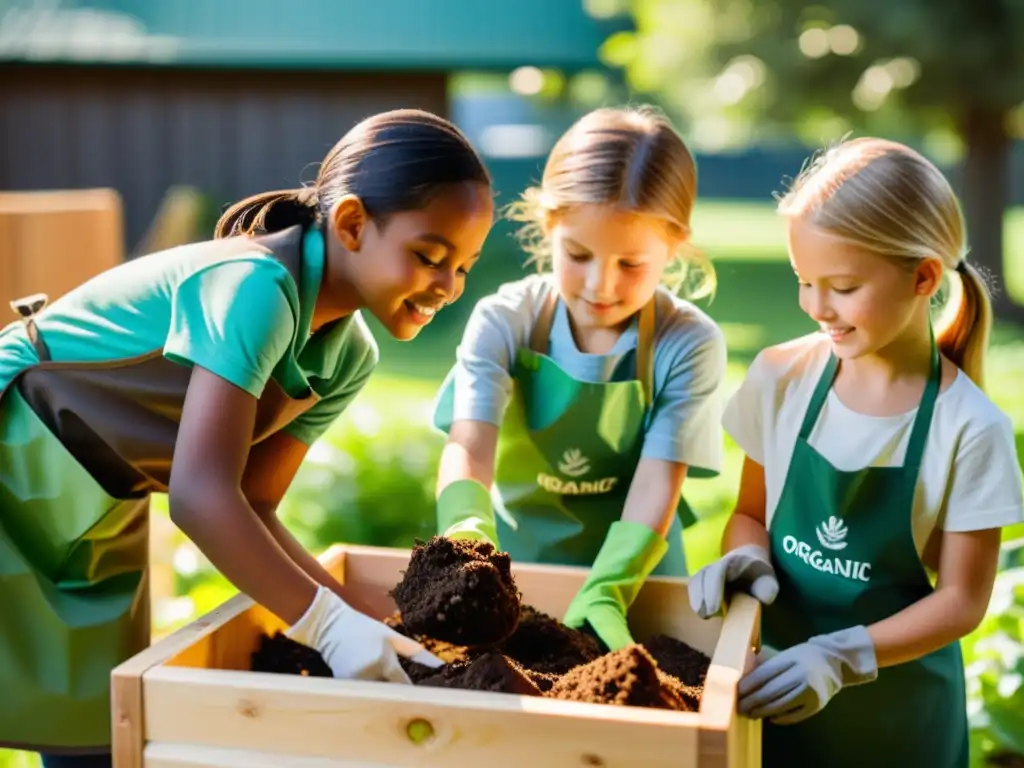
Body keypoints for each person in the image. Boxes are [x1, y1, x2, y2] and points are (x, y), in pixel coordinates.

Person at [0, 108, 495, 767]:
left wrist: (360, 615)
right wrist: (323, 623)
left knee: (90, 725)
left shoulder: (348, 357)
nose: (449, 287)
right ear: (351, 224)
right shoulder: (252, 289)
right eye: (430, 256)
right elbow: (201, 497)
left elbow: (251, 501)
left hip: (93, 493)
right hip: (17, 443)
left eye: (464, 267)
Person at [686, 137, 1024, 768]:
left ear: (923, 276)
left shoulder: (971, 427)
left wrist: (838, 658)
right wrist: (744, 560)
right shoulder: (781, 377)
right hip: (776, 696)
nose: (817, 307)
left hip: (901, 725)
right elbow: (751, 514)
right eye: (803, 281)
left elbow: (962, 601)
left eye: (841, 287)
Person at [430, 105, 728, 653]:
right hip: (518, 568)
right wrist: (467, 536)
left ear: (675, 244)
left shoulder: (687, 342)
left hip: (637, 579)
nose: (600, 285)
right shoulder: (506, 321)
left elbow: (660, 477)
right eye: (578, 254)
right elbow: (469, 445)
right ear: (549, 226)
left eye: (631, 264)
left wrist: (611, 586)